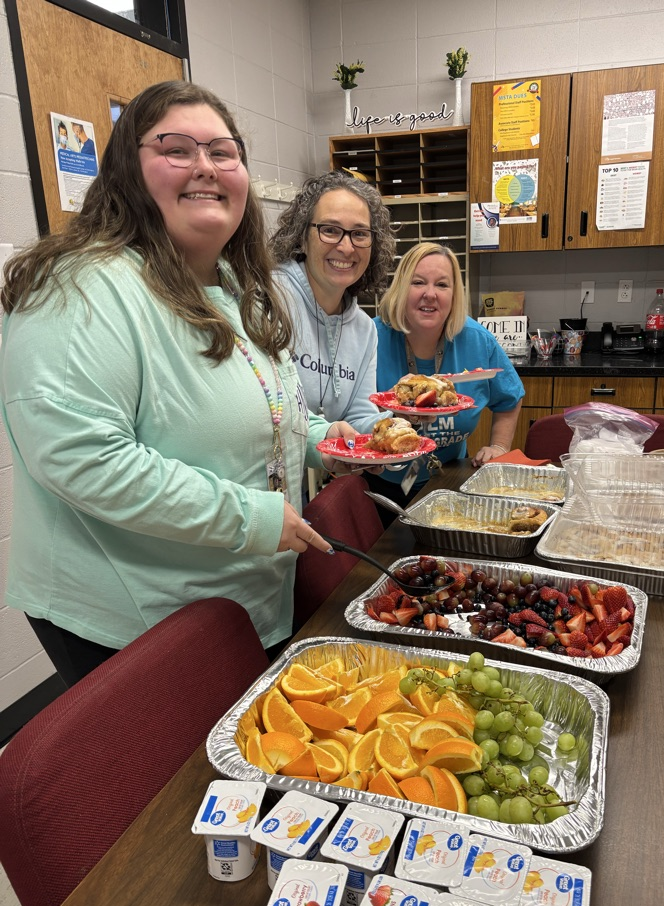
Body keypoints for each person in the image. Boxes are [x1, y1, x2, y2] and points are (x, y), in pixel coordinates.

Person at [0, 80, 359, 687]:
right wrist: (249, 518)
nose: (205, 167)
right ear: (126, 171)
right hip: (137, 620)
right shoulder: (81, 285)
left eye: (223, 152)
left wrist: (326, 439)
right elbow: (81, 456)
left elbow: (269, 408)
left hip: (241, 602)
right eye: (175, 148)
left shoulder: (233, 287)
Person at [367, 242, 524, 517]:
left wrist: (499, 447)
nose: (430, 294)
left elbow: (510, 397)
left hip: (449, 479)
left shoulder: (477, 341)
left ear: (455, 294)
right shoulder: (369, 338)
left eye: (442, 285)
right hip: (380, 485)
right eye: (418, 282)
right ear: (401, 287)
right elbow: (347, 413)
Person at [270, 171, 395, 433]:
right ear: (302, 237)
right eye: (329, 230)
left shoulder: (364, 329)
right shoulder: (268, 299)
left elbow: (358, 416)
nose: (346, 247)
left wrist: (393, 421)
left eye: (359, 234)